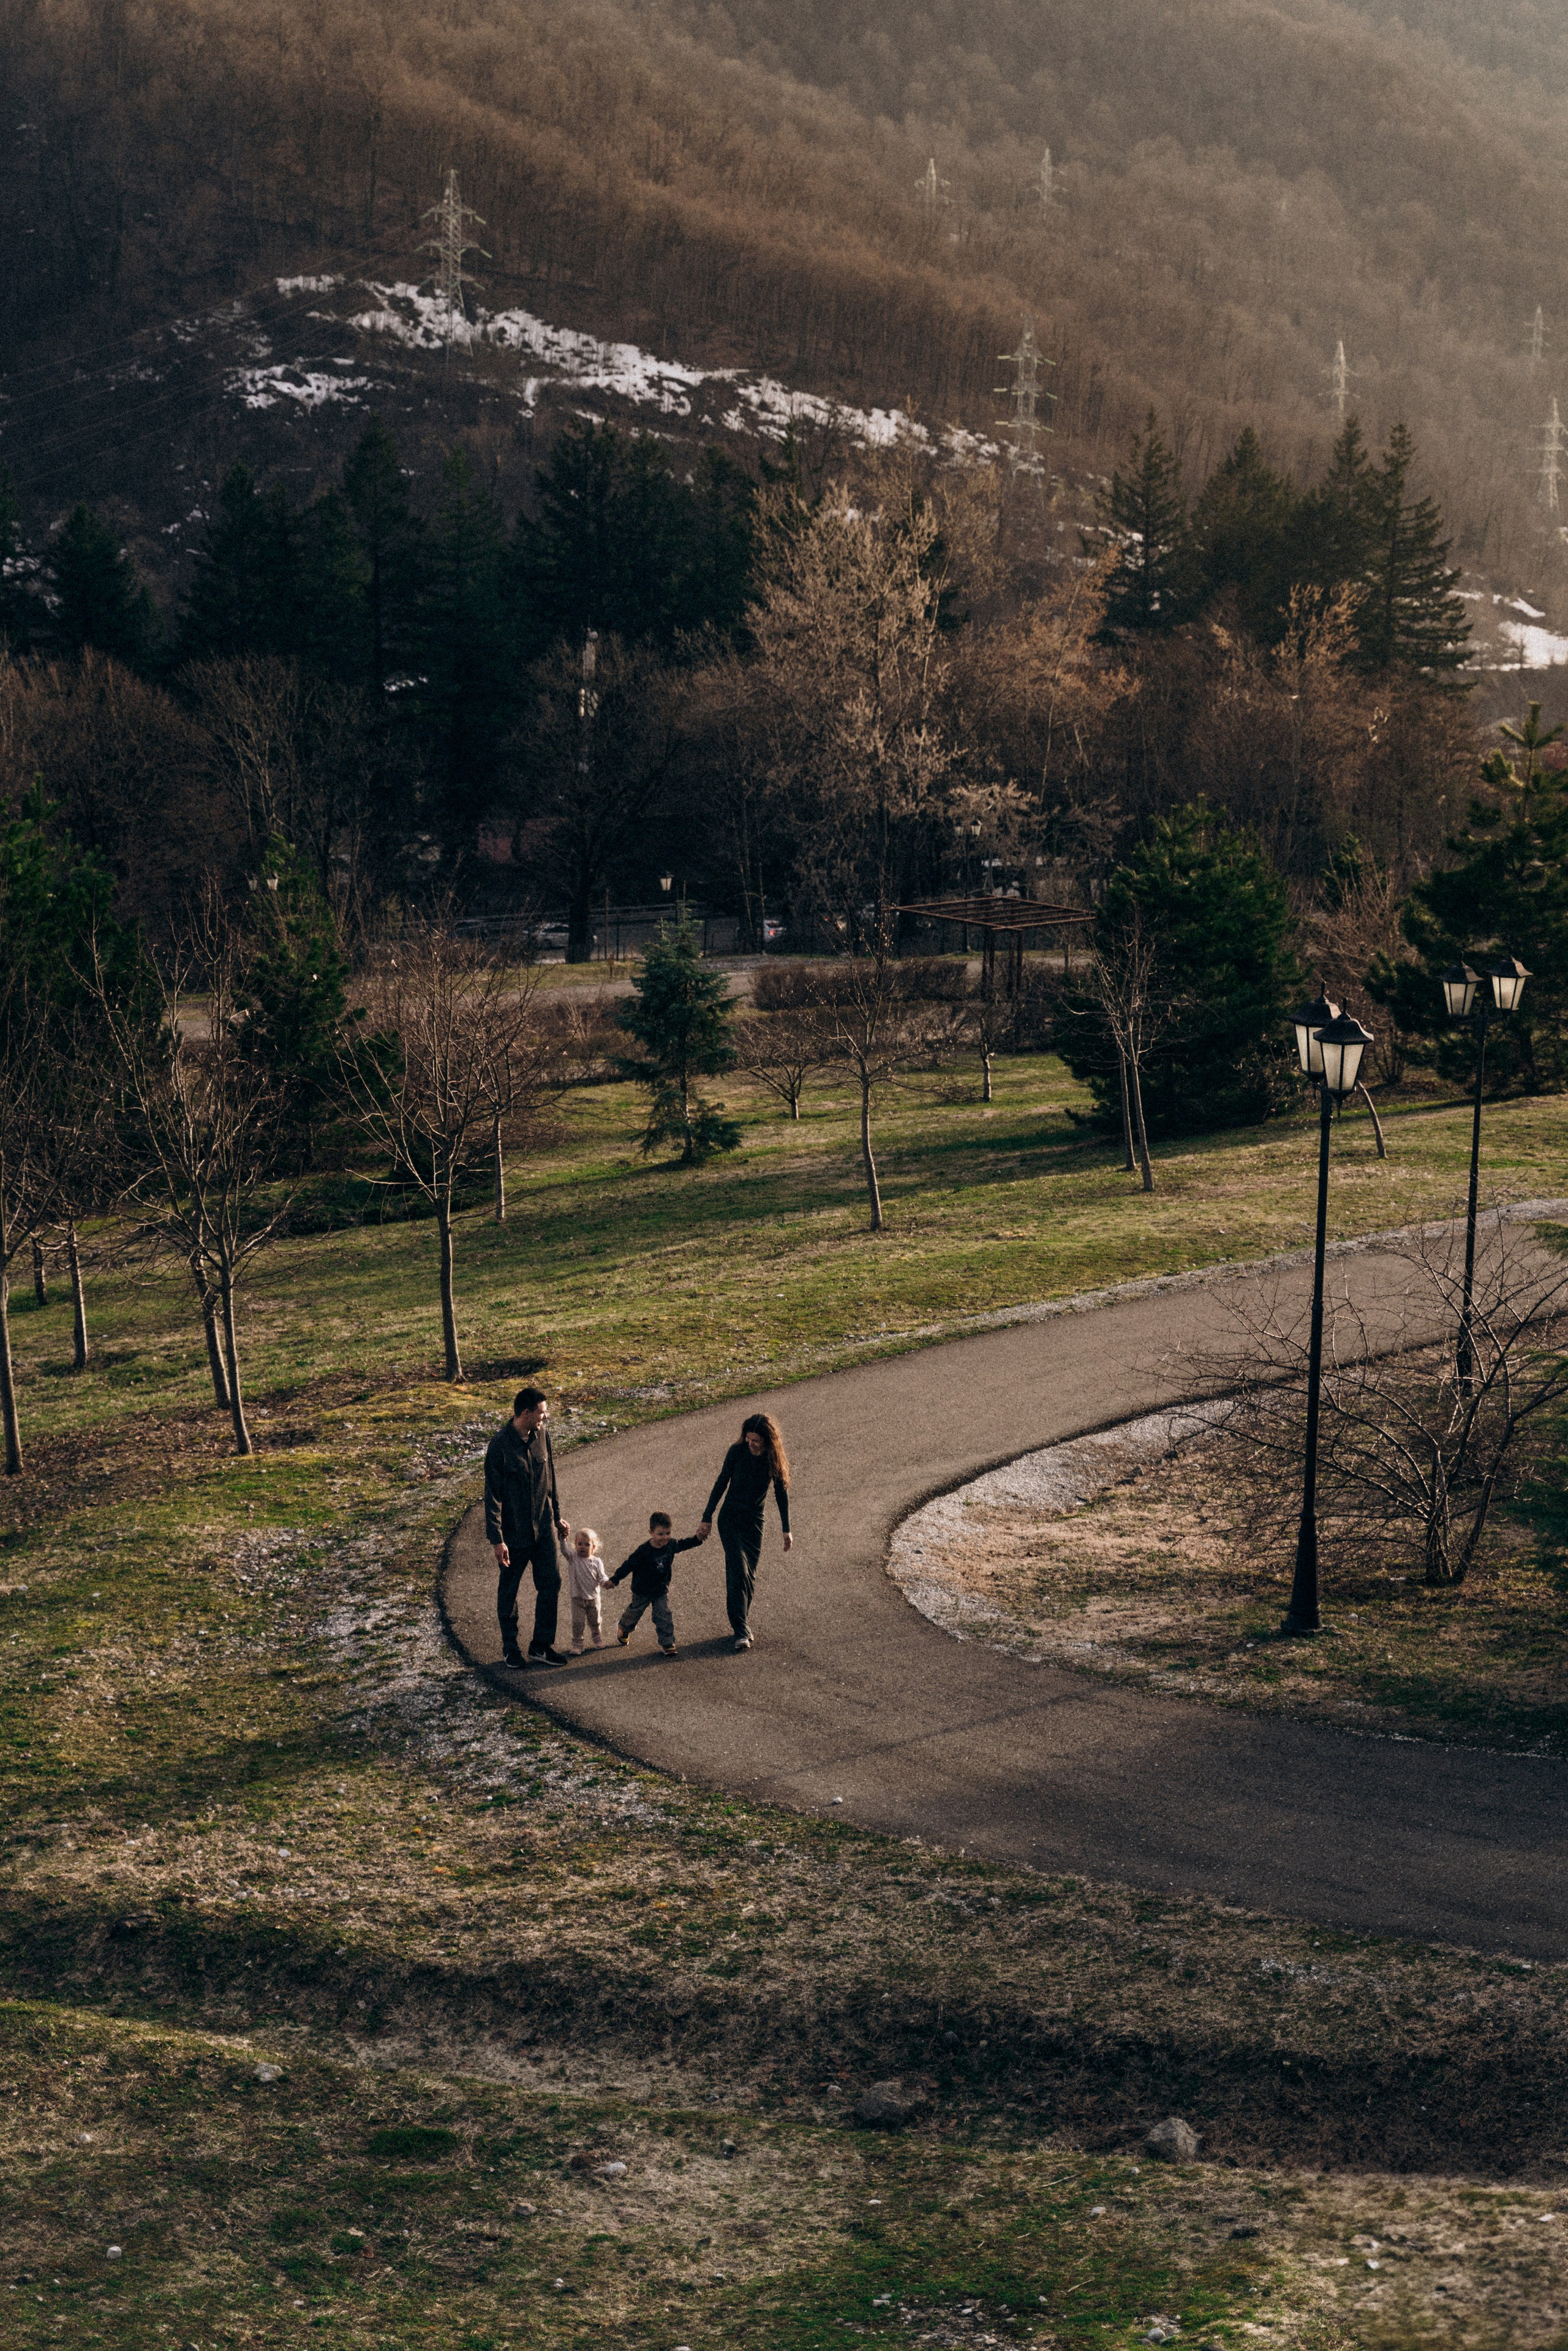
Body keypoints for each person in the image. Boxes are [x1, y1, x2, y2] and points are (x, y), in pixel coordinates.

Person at [483, 1386, 570, 1669]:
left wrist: (557, 1516)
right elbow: (493, 1496)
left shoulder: (542, 1435)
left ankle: (541, 1646)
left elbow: (551, 1477)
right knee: (509, 1591)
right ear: (526, 1413)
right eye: (542, 1413)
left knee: (551, 1584)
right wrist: (497, 1539)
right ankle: (511, 1649)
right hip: (514, 1533)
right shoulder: (500, 1447)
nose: (546, 1418)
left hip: (543, 1528)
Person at [698, 1411, 792, 1651]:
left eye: (756, 1440)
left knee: (749, 1576)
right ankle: (740, 1629)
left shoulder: (773, 1457)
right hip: (730, 1519)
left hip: (755, 1523)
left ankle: (742, 1622)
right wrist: (706, 1517)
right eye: (748, 1439)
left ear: (768, 1441)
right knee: (738, 1571)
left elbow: (781, 1493)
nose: (751, 1444)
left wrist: (786, 1529)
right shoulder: (736, 1452)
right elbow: (721, 1483)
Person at [609, 1511, 703, 1658]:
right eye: (660, 1534)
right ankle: (624, 1627)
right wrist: (615, 1579)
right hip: (642, 1590)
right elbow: (629, 1565)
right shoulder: (644, 1551)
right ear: (651, 1533)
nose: (665, 1538)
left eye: (668, 1533)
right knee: (635, 1612)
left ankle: (668, 1643)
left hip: (660, 1589)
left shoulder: (671, 1545)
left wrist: (697, 1539)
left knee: (663, 1614)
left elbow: (684, 1544)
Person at [565, 1525, 611, 1653]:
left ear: (593, 1547)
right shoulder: (573, 1558)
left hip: (593, 1599)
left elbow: (602, 1577)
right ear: (575, 1545)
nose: (583, 1547)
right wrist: (563, 1539)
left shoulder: (597, 1562)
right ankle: (577, 1644)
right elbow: (564, 1551)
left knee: (595, 1621)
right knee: (578, 1623)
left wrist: (606, 1583)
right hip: (577, 1598)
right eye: (579, 1544)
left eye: (587, 1544)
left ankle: (597, 1637)